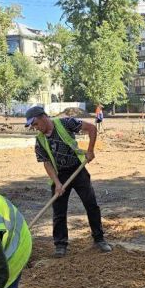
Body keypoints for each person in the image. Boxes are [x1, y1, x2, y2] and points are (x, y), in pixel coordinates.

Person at [25, 106, 112, 256]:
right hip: (59, 175)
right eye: (32, 125)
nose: (35, 128)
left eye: (35, 124)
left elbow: (91, 128)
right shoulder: (40, 140)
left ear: (42, 117)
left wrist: (90, 150)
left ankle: (99, 239)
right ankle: (60, 245)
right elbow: (47, 163)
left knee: (91, 204)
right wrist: (57, 183)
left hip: (77, 170)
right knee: (59, 211)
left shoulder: (66, 123)